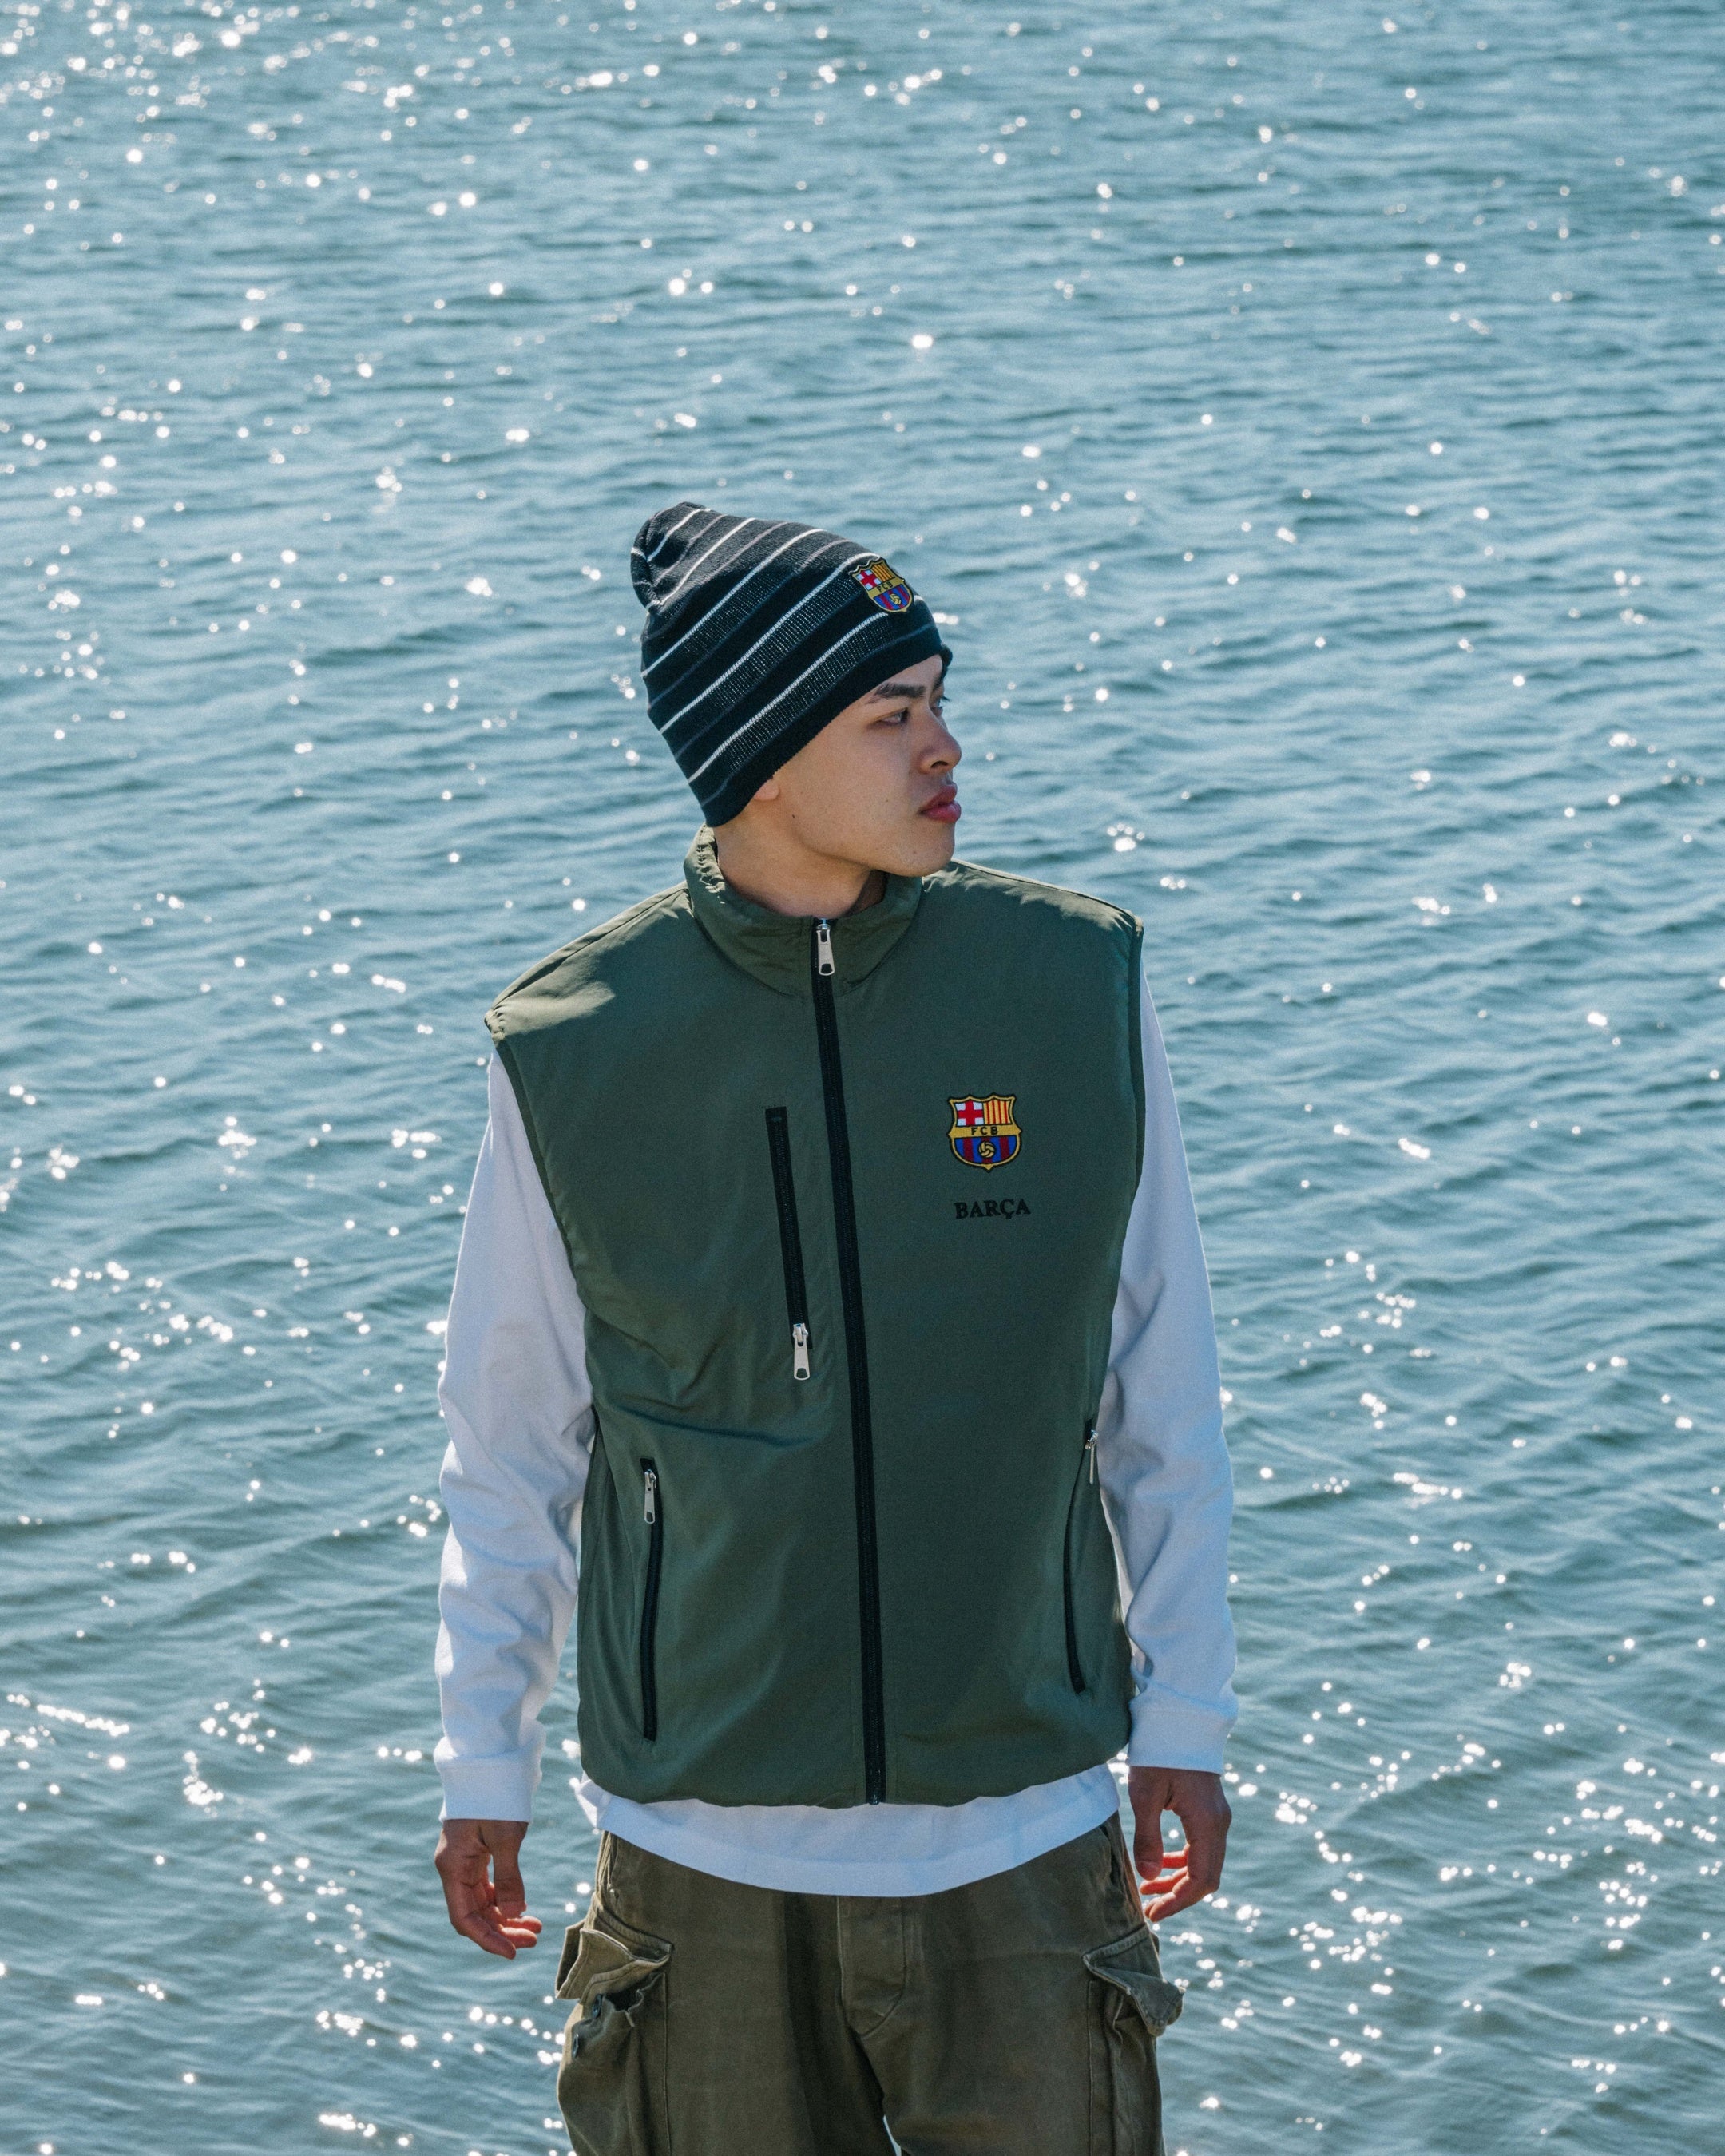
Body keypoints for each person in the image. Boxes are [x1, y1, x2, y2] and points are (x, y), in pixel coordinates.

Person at [431, 505, 1238, 2155]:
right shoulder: (577, 1045)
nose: (946, 748)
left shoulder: (1071, 987)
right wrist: (479, 1765)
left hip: (1024, 1836)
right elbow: (510, 1443)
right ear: (763, 757)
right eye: (892, 715)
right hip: (698, 1864)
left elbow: (1160, 1390)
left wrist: (1189, 1720)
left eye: (939, 701)